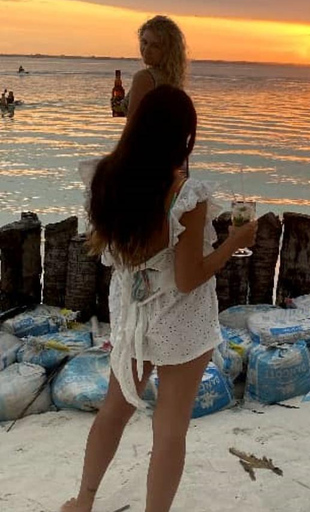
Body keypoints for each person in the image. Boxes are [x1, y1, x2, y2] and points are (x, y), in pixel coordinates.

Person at [61, 86, 257, 512]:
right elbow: (188, 279)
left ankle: (83, 501)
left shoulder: (106, 179)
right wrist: (234, 242)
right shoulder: (184, 195)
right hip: (181, 319)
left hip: (132, 312)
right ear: (183, 138)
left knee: (114, 409)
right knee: (170, 430)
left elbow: (113, 251)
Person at [125, 15, 188, 119]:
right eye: (144, 42)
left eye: (155, 46)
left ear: (168, 50)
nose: (146, 50)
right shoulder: (173, 79)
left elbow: (132, 125)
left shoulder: (145, 77)